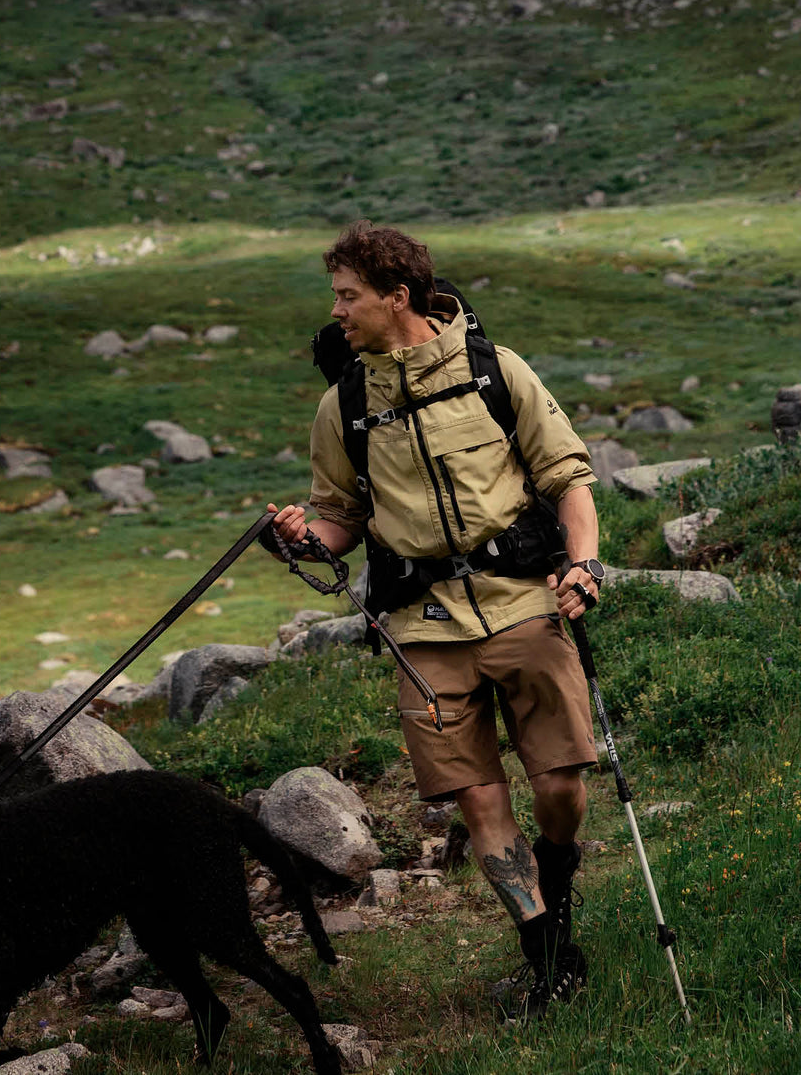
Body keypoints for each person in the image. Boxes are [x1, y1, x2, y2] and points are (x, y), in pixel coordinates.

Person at [267, 221, 605, 1020]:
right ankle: (549, 956)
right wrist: (302, 539)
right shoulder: (343, 402)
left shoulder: (496, 371)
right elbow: (339, 519)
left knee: (561, 787)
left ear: (398, 296)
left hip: (523, 600)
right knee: (481, 801)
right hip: (421, 629)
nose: (337, 311)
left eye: (349, 296)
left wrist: (583, 563)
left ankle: (556, 877)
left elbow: (569, 477)